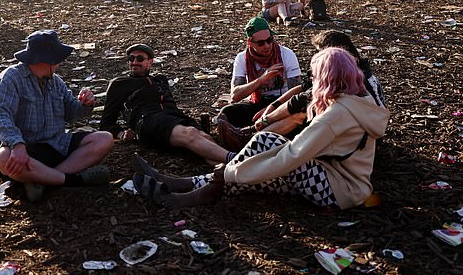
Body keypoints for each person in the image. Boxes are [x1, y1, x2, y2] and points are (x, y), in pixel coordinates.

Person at [132, 47, 390, 210]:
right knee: (260, 162)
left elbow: (293, 155)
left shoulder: (336, 115)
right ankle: (186, 185)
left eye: (315, 75)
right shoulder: (360, 100)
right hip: (343, 180)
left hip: (338, 190)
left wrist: (232, 173)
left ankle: (203, 188)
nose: (313, 81)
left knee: (266, 146)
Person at [0, 30, 114, 202]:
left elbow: (72, 113)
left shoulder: (55, 81)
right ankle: (71, 180)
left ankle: (44, 180)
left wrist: (86, 104)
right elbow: (0, 116)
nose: (59, 63)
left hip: (57, 144)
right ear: (46, 58)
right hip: (27, 149)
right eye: (57, 58)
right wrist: (18, 145)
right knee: (2, 158)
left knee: (104, 139)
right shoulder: (11, 78)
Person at [100, 44, 230, 164]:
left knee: (204, 138)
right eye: (131, 58)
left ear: (150, 62)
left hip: (174, 116)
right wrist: (121, 134)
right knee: (190, 133)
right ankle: (237, 159)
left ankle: (234, 173)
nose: (134, 62)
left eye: (139, 58)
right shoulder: (119, 84)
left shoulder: (160, 80)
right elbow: (106, 123)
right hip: (148, 119)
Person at [252, 30, 386, 137]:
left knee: (303, 112)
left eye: (321, 53)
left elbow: (303, 99)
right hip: (362, 128)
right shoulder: (349, 68)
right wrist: (274, 105)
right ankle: (255, 135)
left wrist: (266, 119)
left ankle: (254, 137)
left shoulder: (349, 76)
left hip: (360, 136)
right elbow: (303, 87)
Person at [216, 17, 301, 150]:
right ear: (250, 43)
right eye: (260, 43)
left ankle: (246, 136)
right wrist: (262, 79)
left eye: (269, 40)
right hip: (256, 102)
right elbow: (235, 96)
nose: (267, 46)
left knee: (297, 113)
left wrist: (271, 109)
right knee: (227, 113)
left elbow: (296, 91)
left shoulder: (286, 55)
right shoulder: (242, 59)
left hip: (281, 102)